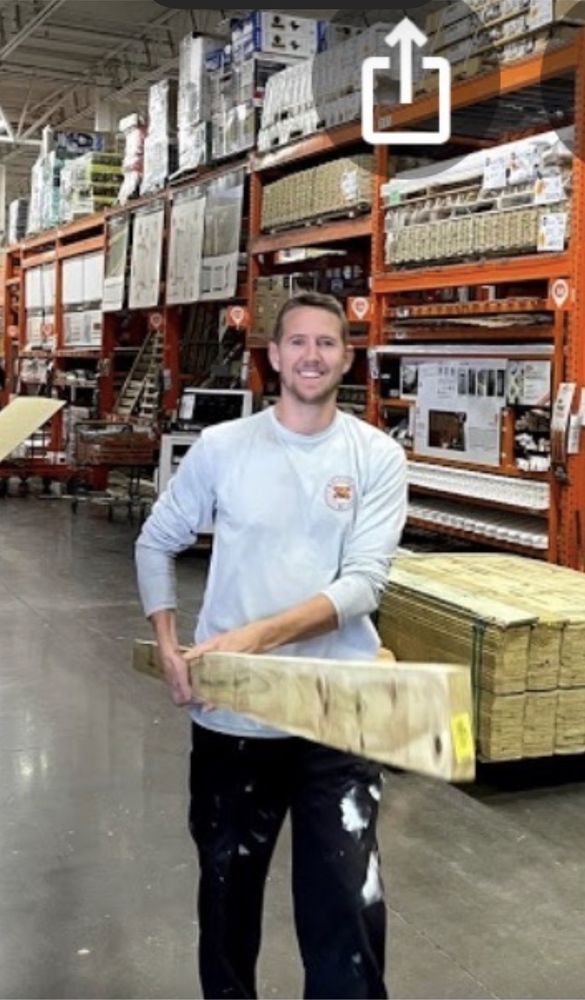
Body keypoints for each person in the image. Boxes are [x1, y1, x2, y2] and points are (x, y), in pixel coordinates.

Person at [135, 292, 407, 1000]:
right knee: (227, 895)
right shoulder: (224, 448)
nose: (311, 355)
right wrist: (168, 642)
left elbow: (362, 586)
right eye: (298, 342)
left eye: (327, 343)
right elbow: (156, 541)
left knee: (345, 904)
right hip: (233, 715)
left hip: (335, 710)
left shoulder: (376, 456)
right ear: (275, 356)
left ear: (347, 358)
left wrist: (258, 635)